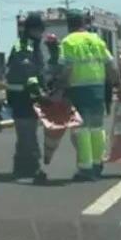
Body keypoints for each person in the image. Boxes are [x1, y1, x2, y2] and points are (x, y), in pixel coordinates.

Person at [59, 11, 121, 181]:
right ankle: (97, 163)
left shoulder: (68, 41)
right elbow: (111, 66)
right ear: (84, 23)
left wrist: (59, 89)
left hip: (78, 90)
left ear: (69, 25)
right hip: (98, 89)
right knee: (97, 127)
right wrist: (118, 85)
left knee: (81, 130)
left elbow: (67, 69)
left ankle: (85, 168)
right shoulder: (97, 40)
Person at [5, 13, 47, 181]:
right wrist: (39, 93)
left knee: (26, 133)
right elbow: (28, 72)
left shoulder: (33, 45)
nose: (42, 33)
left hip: (25, 95)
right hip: (21, 96)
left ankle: (22, 167)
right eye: (40, 30)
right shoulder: (25, 46)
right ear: (34, 29)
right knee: (27, 133)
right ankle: (31, 168)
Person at [34, 33, 82, 166]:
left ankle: (82, 159)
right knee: (57, 131)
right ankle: (83, 160)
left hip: (63, 97)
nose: (51, 48)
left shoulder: (59, 60)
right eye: (50, 46)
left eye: (52, 45)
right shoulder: (50, 62)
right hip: (59, 98)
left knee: (66, 131)